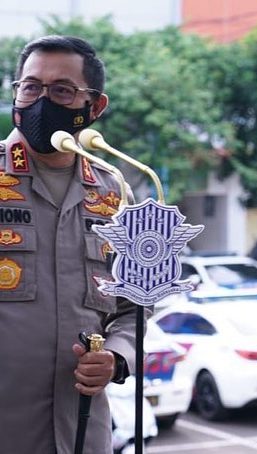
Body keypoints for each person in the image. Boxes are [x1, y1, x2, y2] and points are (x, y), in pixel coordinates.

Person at [0, 35, 147, 453]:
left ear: (94, 107)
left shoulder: (115, 192)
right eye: (31, 87)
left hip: (82, 427)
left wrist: (116, 357)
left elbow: (135, 306)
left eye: (62, 91)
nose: (42, 102)